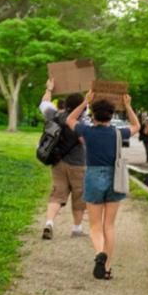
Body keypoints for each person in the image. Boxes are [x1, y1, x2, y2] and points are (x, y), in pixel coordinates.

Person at [65, 91, 139, 280]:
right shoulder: (118, 133)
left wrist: (85, 102)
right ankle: (107, 268)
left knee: (95, 225)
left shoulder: (87, 131)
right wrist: (128, 105)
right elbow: (136, 125)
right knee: (110, 225)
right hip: (115, 178)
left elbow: (70, 119)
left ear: (93, 115)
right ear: (112, 115)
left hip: (93, 176)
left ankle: (99, 253)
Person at [38, 80, 87, 240]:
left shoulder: (55, 115)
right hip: (78, 164)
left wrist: (49, 89)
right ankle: (77, 228)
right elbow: (84, 142)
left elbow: (44, 103)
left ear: (66, 104)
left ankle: (49, 223)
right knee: (79, 195)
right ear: (82, 106)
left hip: (58, 161)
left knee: (57, 194)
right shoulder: (80, 122)